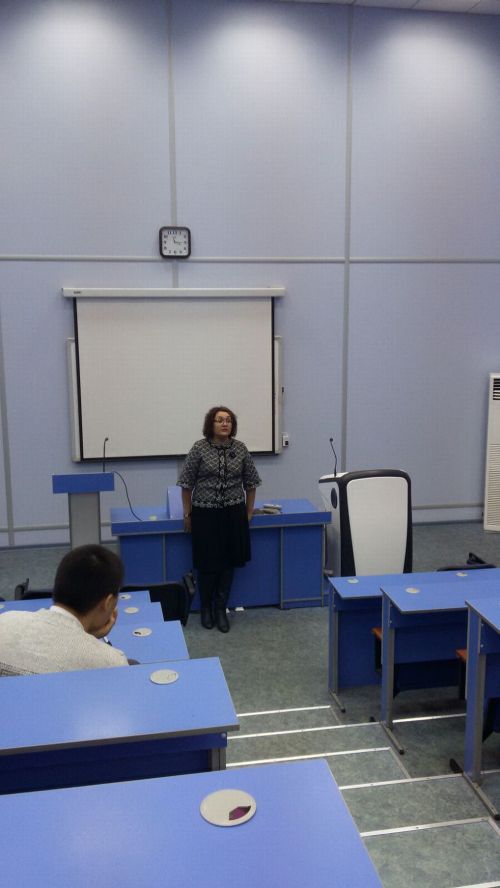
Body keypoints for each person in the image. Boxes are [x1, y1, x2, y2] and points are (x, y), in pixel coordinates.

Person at [178, 405, 261, 633]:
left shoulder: (240, 449)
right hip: (205, 514)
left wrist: (249, 512)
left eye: (229, 420)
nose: (225, 424)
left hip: (233, 514)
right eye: (220, 420)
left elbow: (251, 483)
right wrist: (187, 513)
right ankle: (205, 608)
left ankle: (220, 609)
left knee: (228, 564)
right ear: (211, 424)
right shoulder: (199, 448)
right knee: (208, 563)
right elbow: (186, 484)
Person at [0, 544, 129, 676]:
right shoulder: (111, 663)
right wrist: (90, 641)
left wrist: (85, 636)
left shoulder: (4, 620)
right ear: (107, 603)